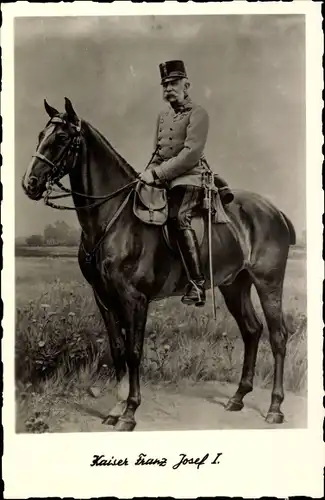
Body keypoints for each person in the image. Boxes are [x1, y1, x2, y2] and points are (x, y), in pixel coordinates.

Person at [139, 60, 211, 307]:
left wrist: (159, 174)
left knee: (177, 218)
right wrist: (146, 174)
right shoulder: (163, 116)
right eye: (165, 84)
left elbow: (190, 153)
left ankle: (197, 284)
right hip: (165, 175)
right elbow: (158, 152)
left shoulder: (198, 113)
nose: (169, 88)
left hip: (189, 177)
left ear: (186, 85)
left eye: (174, 83)